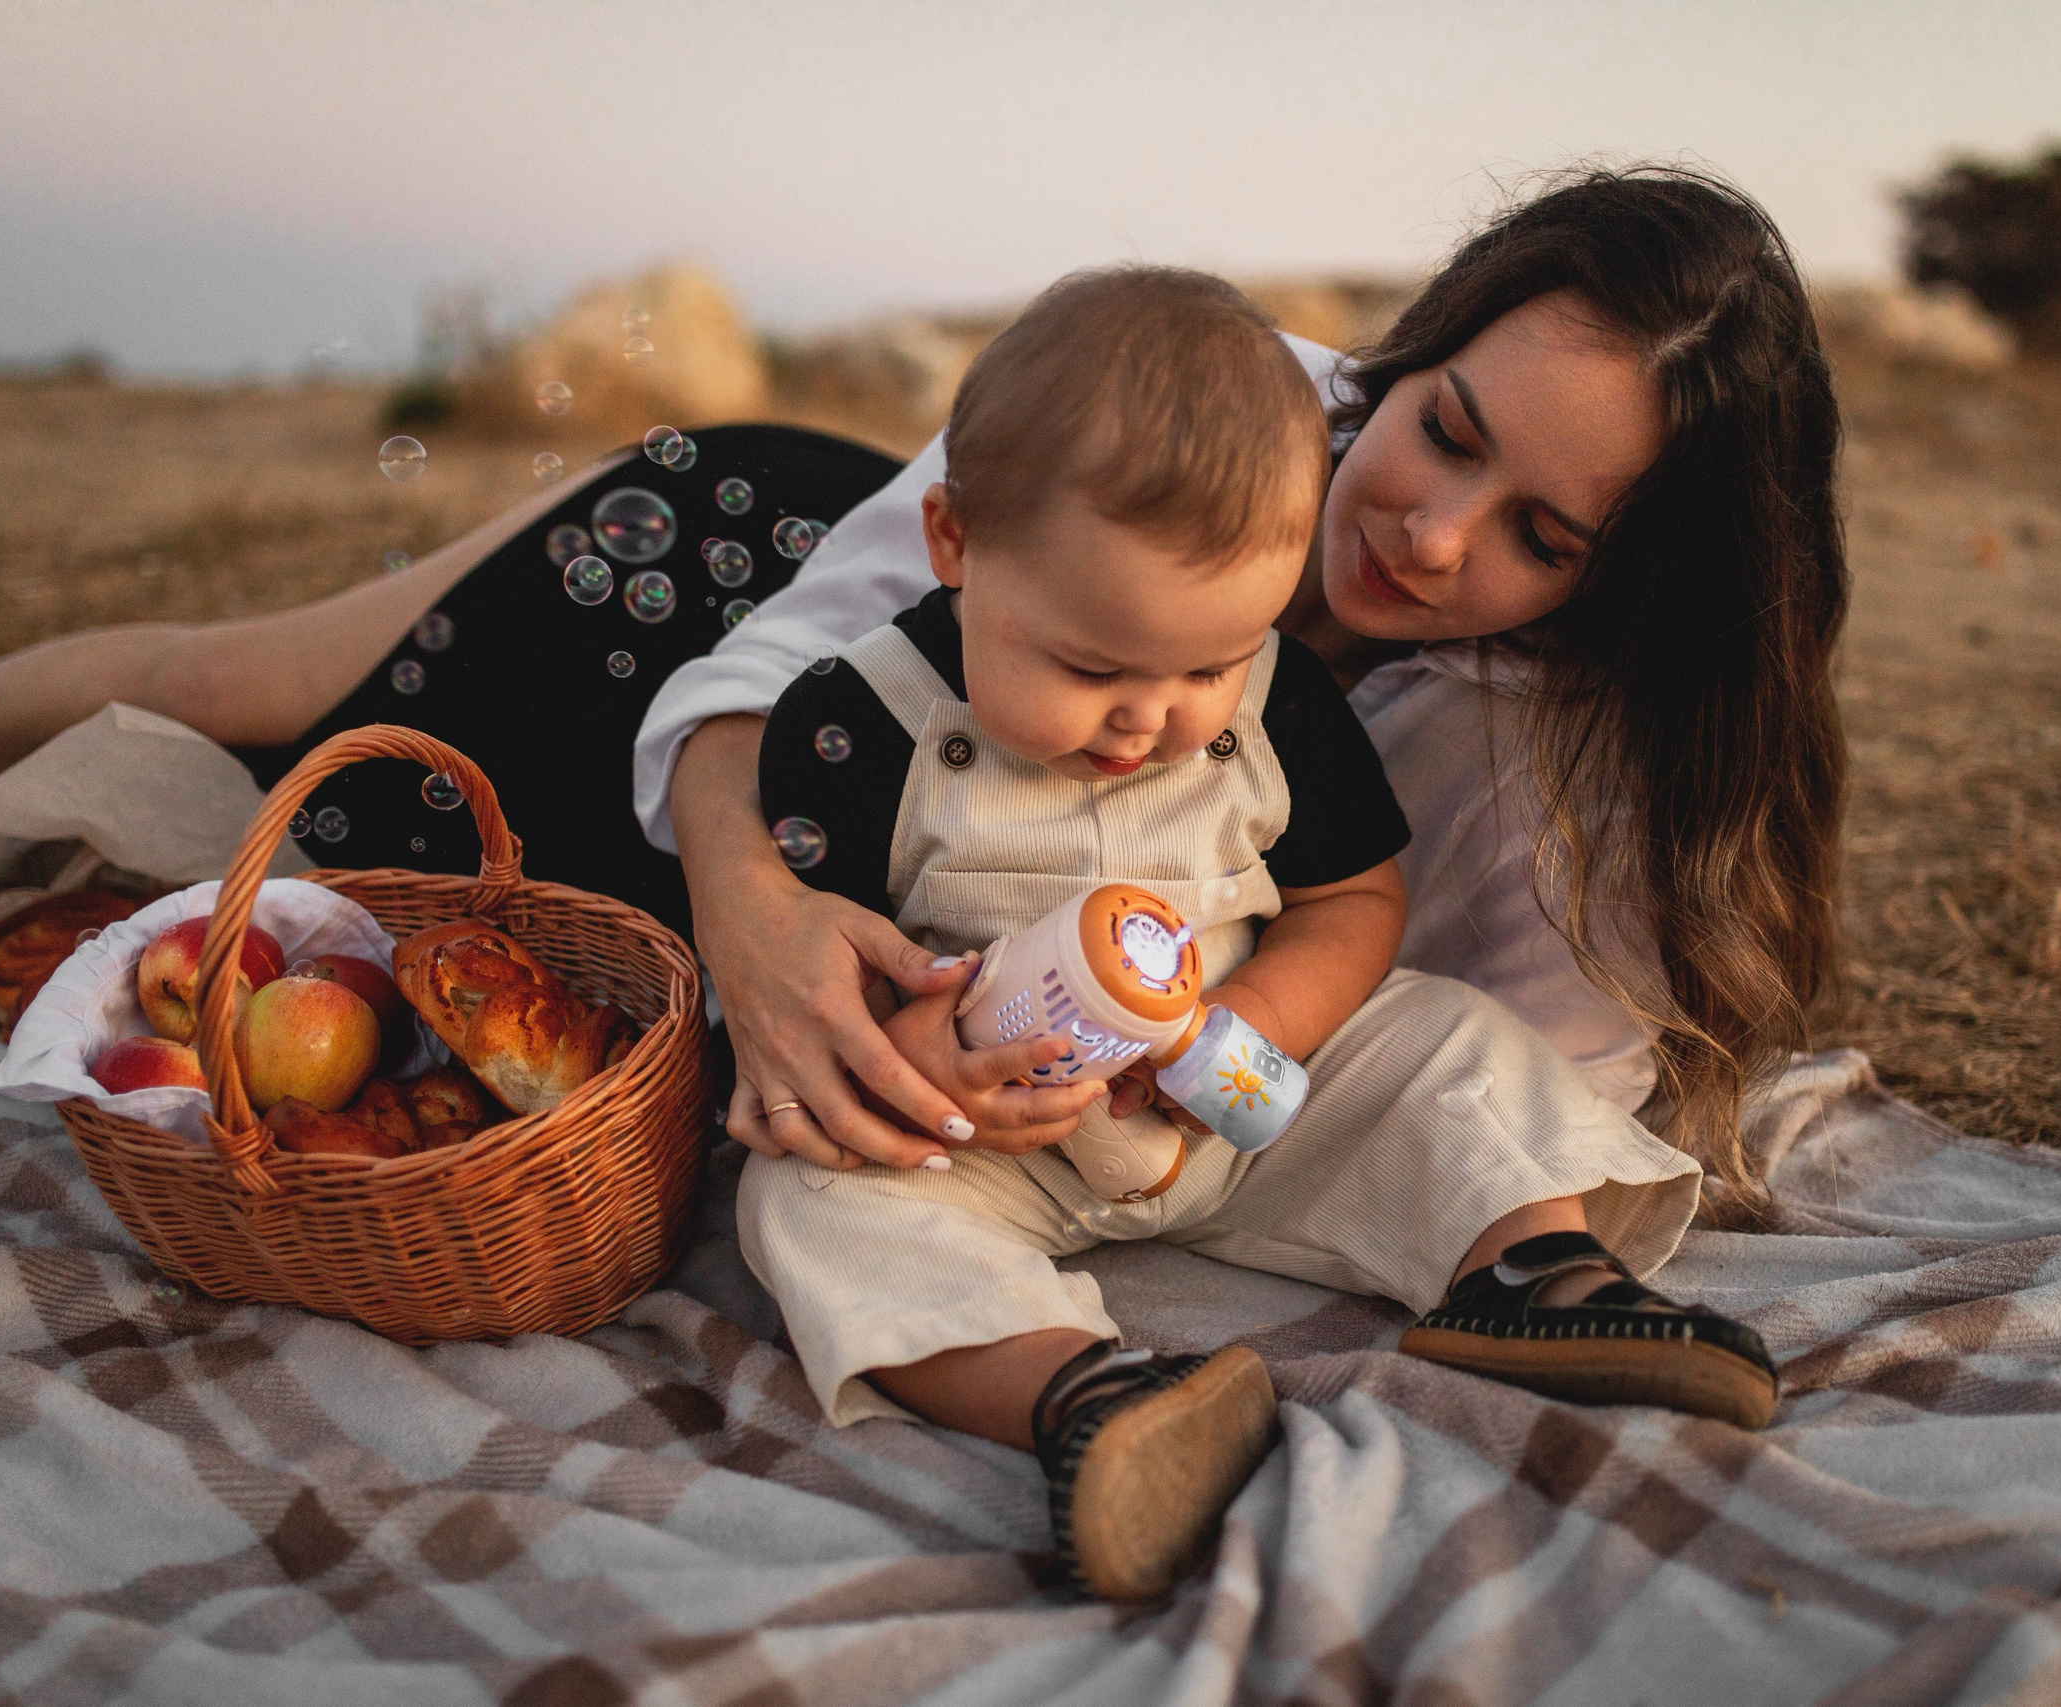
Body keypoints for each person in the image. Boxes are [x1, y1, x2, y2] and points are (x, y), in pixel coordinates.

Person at [0, 159, 1845, 1532]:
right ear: (1412, 356)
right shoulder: (1163, 415)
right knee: (257, 682)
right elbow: (768, 676)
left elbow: (1400, 998)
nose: (1432, 533)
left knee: (528, 1002)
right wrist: (748, 915)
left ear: (1606, 589)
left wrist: (1220, 1056)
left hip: (898, 926)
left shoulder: (1526, 708)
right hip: (715, 610)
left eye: (1539, 537)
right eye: (1447, 429)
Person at [740, 265, 1742, 1601]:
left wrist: (1258, 1029)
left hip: (1235, 1094)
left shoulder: (1278, 706)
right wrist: (913, 1052)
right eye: (1092, 667)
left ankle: (1532, 1267)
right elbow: (816, 956)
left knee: (1449, 1041)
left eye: (1208, 670)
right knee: (807, 1199)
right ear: (956, 544)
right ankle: (1087, 1395)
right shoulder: (858, 723)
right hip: (992, 1129)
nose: (1150, 719)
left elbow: (1354, 904)